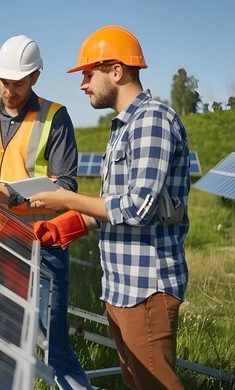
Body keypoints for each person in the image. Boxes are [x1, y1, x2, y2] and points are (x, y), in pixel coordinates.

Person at [31, 25, 190, 390]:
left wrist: (65, 199)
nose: (83, 83)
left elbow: (138, 207)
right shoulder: (123, 127)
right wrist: (68, 225)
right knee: (136, 382)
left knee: (156, 384)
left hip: (146, 287)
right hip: (120, 285)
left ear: (116, 71)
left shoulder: (151, 120)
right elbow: (115, 205)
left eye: (88, 73)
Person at [0, 35, 93, 390]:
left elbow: (65, 190)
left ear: (34, 77)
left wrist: (1, 195)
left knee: (54, 347)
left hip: (43, 244)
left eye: (17, 83)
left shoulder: (55, 118)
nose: (9, 90)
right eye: (4, 81)